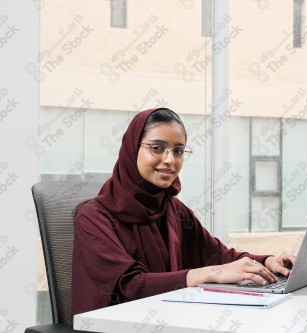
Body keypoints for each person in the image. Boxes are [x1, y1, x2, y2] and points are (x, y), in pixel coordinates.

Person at [72, 108, 295, 317]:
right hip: (118, 325)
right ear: (131, 149)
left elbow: (217, 255)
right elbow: (129, 285)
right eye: (157, 148)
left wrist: (268, 262)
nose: (170, 160)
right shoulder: (92, 217)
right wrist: (206, 274)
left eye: (178, 150)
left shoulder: (172, 208)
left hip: (171, 320)